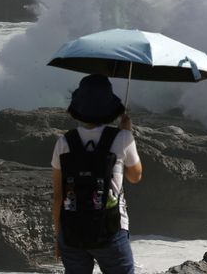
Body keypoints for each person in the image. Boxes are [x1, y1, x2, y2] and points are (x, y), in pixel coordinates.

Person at [51, 74, 143, 274]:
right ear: (110, 109)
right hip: (111, 230)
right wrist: (127, 132)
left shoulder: (64, 142)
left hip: (72, 232)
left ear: (76, 108)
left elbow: (58, 196)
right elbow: (135, 177)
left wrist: (59, 236)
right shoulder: (122, 138)